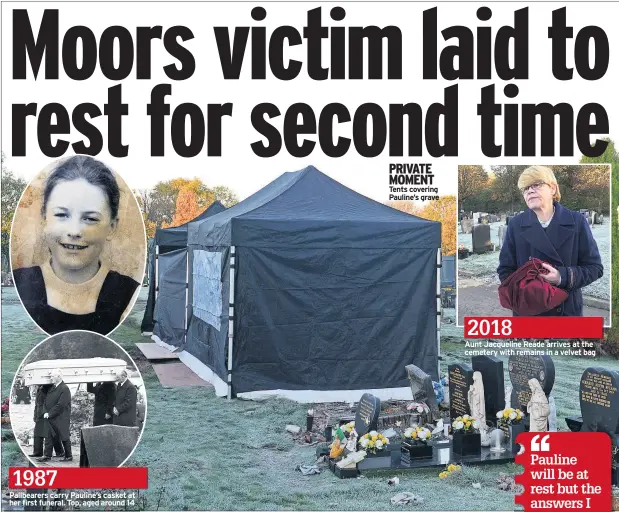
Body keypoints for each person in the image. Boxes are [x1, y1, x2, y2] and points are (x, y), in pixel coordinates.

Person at [13, 156, 141, 335]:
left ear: (112, 227)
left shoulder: (130, 294)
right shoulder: (19, 284)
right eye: (62, 215)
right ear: (44, 219)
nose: (74, 231)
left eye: (90, 219)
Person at [497, 166, 603, 316]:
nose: (530, 191)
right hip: (528, 314)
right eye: (525, 188)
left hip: (566, 314)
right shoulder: (516, 224)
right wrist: (528, 292)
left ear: (553, 188)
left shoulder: (576, 221)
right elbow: (505, 270)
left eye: (536, 184)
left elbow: (595, 268)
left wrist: (562, 277)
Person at [37, 369, 72, 462]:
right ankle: (47, 455)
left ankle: (69, 456)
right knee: (48, 435)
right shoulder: (53, 387)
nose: (51, 378)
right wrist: (45, 412)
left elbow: (61, 404)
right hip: (50, 416)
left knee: (64, 435)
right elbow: (46, 401)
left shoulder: (64, 388)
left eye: (52, 376)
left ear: (58, 377)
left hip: (61, 417)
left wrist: (50, 413)